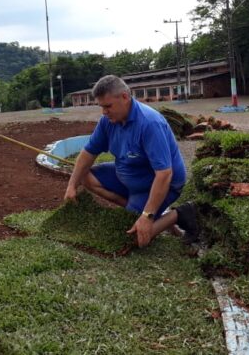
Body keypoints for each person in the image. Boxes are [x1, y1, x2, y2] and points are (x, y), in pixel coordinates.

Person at [64, 75, 198, 247]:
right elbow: (87, 153)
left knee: (132, 240)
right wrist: (71, 185)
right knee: (84, 175)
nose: (104, 112)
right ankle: (141, 211)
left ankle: (179, 214)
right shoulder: (108, 121)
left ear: (125, 97)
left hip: (161, 183)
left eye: (108, 106)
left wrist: (147, 216)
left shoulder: (149, 123)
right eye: (101, 107)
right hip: (129, 176)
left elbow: (164, 174)